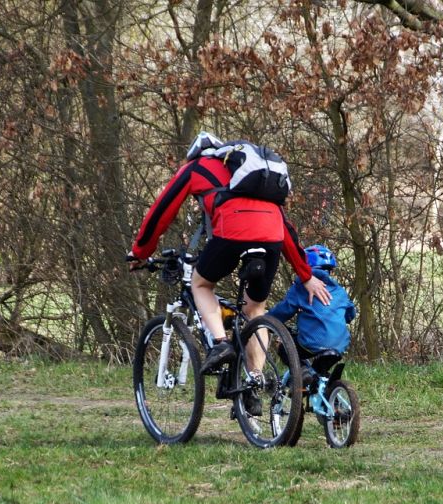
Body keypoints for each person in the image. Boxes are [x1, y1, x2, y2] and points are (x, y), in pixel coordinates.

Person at [126, 132, 331, 378]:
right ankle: (254, 380)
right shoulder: (250, 177)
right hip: (272, 237)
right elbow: (282, 226)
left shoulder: (196, 167)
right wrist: (305, 274)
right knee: (255, 309)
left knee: (200, 285)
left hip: (231, 232)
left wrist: (140, 251)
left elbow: (162, 210)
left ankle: (221, 343)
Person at [268, 244, 355, 363]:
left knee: (285, 348)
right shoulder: (340, 291)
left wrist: (267, 319)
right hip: (340, 344)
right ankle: (322, 379)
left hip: (312, 342)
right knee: (320, 372)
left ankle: (303, 373)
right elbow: (350, 314)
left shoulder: (301, 288)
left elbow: (284, 310)